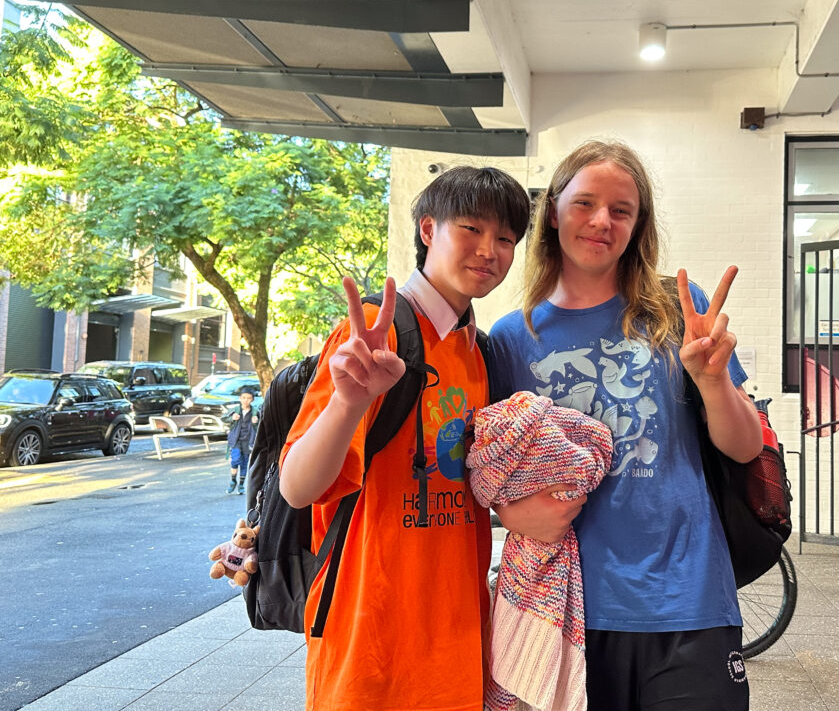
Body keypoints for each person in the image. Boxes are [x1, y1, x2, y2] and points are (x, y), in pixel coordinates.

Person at [486, 140, 763, 711]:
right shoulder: (512, 338)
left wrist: (712, 381)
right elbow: (487, 467)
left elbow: (745, 447)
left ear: (638, 225)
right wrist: (506, 511)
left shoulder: (678, 311)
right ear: (554, 210)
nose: (601, 221)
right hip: (566, 607)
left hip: (687, 595)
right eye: (585, 202)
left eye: (621, 209)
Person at [278, 166, 531, 711]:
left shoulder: (479, 352)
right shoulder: (375, 331)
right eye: (471, 228)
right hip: (369, 650)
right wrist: (349, 401)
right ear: (427, 229)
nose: (490, 250)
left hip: (458, 648)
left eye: (506, 238)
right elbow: (298, 488)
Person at [225, 389, 258, 495]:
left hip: (248, 440)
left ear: (252, 399)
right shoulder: (235, 410)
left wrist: (256, 422)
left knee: (244, 463)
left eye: (249, 398)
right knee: (235, 460)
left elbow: (261, 425)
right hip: (235, 440)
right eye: (244, 398)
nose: (246, 400)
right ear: (240, 398)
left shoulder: (255, 411)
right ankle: (233, 481)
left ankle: (241, 485)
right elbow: (224, 418)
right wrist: (232, 418)